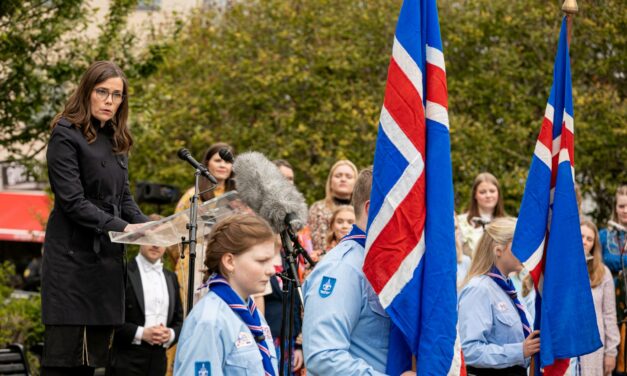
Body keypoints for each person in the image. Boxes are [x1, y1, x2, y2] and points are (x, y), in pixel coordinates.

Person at [41, 61, 149, 376]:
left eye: (116, 95)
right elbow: (72, 202)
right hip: (72, 265)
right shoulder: (65, 133)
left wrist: (149, 226)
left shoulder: (117, 139)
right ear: (87, 92)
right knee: (64, 365)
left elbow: (123, 197)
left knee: (93, 367)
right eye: (102, 92)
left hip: (106, 266)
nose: (109, 101)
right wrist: (124, 228)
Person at [302, 167, 415, 376]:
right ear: (373, 209)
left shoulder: (388, 264)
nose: (411, 218)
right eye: (402, 206)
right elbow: (323, 356)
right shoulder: (343, 268)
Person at [173, 214, 279, 375]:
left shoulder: (252, 313)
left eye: (271, 261)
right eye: (261, 261)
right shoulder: (209, 321)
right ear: (230, 261)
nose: (271, 270)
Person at [458, 217, 539, 375]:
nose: (524, 251)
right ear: (498, 250)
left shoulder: (508, 289)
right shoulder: (479, 289)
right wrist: (519, 350)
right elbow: (469, 351)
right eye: (517, 245)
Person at [106, 215, 184, 376]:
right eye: (151, 236)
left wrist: (170, 334)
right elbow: (110, 317)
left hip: (159, 361)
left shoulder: (172, 277)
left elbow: (179, 320)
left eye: (161, 238)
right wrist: (142, 333)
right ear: (141, 237)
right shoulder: (123, 272)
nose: (156, 244)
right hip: (125, 360)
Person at [572, 220, 619, 376]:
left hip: (594, 347)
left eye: (589, 239)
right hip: (568, 343)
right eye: (581, 236)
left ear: (594, 244)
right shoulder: (562, 268)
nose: (584, 242)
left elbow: (610, 315)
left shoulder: (603, 273)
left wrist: (611, 352)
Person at [599, 185, 627, 374]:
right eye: (622, 206)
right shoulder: (604, 235)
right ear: (615, 207)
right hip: (611, 303)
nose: (625, 211)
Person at [307, 159, 358, 253]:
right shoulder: (318, 209)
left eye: (348, 176)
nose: (343, 179)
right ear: (330, 182)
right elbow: (318, 247)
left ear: (356, 182)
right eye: (338, 176)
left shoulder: (362, 211)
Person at [457, 172, 506, 258]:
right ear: (475, 195)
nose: (488, 195)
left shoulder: (507, 224)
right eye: (482, 192)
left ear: (498, 193)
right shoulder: (461, 222)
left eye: (492, 191)